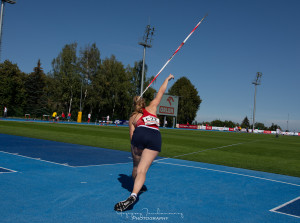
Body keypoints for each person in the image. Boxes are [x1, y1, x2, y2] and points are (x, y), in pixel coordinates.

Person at [114, 74, 174, 212]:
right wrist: (167, 79)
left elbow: (131, 135)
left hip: (139, 135)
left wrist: (135, 151)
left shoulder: (133, 117)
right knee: (143, 169)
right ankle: (134, 194)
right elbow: (161, 92)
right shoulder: (152, 107)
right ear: (143, 103)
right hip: (155, 136)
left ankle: (135, 185)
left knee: (136, 166)